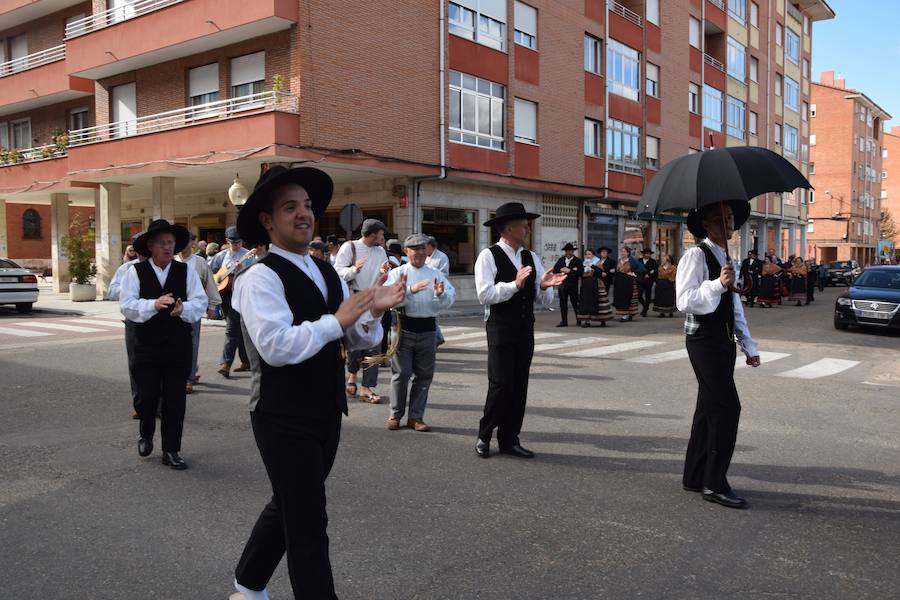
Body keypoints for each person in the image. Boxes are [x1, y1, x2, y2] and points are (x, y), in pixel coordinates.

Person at [229, 166, 405, 600]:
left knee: (288, 503)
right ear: (268, 221)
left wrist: (374, 313)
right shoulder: (258, 277)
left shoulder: (325, 272)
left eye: (306, 205)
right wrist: (337, 319)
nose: (303, 214)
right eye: (290, 207)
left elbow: (355, 337)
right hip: (281, 414)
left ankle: (247, 585)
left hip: (326, 409)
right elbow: (276, 347)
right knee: (308, 519)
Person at [677, 201, 760, 509]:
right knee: (727, 408)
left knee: (707, 408)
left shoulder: (727, 257)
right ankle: (715, 483)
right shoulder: (696, 255)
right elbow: (684, 300)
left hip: (722, 341)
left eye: (730, 218)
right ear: (706, 225)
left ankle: (695, 475)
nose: (728, 224)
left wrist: (748, 345)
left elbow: (734, 306)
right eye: (719, 219)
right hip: (702, 340)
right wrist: (717, 284)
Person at [474, 202, 566, 459]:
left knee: (519, 384)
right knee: (500, 383)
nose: (527, 227)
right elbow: (485, 295)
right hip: (500, 327)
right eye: (523, 224)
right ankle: (484, 434)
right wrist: (514, 285)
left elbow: (541, 299)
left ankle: (510, 439)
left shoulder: (531, 257)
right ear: (508, 228)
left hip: (525, 327)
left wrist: (547, 286)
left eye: (527, 224)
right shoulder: (488, 256)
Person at [119, 219, 207, 470]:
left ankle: (171, 449)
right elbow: (126, 305)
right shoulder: (134, 272)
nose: (168, 248)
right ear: (151, 246)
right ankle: (146, 432)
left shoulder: (186, 271)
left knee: (175, 399)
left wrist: (184, 309)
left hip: (177, 346)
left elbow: (200, 303)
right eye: (163, 243)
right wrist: (153, 305)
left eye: (171, 243)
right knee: (146, 397)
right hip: (146, 345)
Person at [383, 233, 456, 432]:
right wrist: (409, 290)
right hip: (403, 328)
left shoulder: (435, 272)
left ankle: (416, 416)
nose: (420, 253)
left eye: (423, 248)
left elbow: (450, 297)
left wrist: (439, 295)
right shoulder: (398, 273)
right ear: (407, 251)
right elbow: (388, 297)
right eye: (416, 249)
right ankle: (395, 414)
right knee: (402, 373)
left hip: (428, 330)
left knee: (424, 376)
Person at [334, 218, 391, 403]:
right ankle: (351, 375)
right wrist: (353, 270)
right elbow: (337, 272)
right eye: (381, 234)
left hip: (374, 298)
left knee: (373, 342)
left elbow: (384, 274)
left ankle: (367, 387)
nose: (383, 238)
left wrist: (384, 271)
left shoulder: (381, 251)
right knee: (355, 342)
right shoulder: (349, 247)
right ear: (373, 234)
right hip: (354, 298)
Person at [177, 233, 222, 394]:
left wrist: (212, 306)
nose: (182, 245)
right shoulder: (172, 261)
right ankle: (187, 372)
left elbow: (209, 283)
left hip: (193, 308)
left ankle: (188, 378)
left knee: (192, 343)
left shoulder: (200, 262)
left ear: (192, 243)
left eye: (186, 241)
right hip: (173, 309)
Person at [213, 227, 253, 378]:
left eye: (238, 242)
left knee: (231, 329)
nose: (236, 245)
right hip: (225, 295)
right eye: (233, 242)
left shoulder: (248, 255)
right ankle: (246, 361)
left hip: (241, 295)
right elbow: (213, 273)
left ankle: (226, 364)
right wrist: (218, 278)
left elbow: (255, 275)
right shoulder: (220, 256)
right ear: (227, 241)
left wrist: (242, 269)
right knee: (240, 330)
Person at [576, 248, 614, 327]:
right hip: (586, 284)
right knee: (587, 302)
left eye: (589, 254)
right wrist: (580, 269)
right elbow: (580, 273)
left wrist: (592, 266)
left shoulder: (597, 262)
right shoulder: (583, 263)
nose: (588, 256)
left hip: (596, 284)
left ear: (593, 255)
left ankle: (602, 320)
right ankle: (587, 321)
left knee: (599, 302)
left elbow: (600, 272)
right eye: (586, 254)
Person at [550, 242, 582, 327]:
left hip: (573, 285)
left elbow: (580, 271)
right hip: (562, 284)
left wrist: (570, 270)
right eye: (567, 251)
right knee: (563, 303)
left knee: (575, 303)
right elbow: (555, 269)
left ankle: (579, 320)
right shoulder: (561, 259)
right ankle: (564, 321)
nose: (568, 252)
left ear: (573, 251)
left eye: (570, 251)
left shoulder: (577, 260)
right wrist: (561, 269)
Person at [613, 247, 644, 321]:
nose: (622, 253)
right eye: (622, 251)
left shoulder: (632, 260)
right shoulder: (619, 261)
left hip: (629, 281)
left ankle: (629, 314)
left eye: (624, 251)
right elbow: (616, 270)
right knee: (622, 298)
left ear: (628, 253)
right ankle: (624, 315)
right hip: (620, 282)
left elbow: (641, 268)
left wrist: (633, 273)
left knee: (629, 297)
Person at [638, 248, 658, 317]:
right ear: (643, 254)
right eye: (646, 253)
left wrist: (649, 274)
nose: (647, 255)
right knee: (639, 295)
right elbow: (637, 269)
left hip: (649, 281)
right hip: (640, 281)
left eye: (649, 254)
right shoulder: (639, 260)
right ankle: (645, 307)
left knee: (648, 296)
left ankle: (645, 311)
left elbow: (655, 270)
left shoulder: (653, 261)